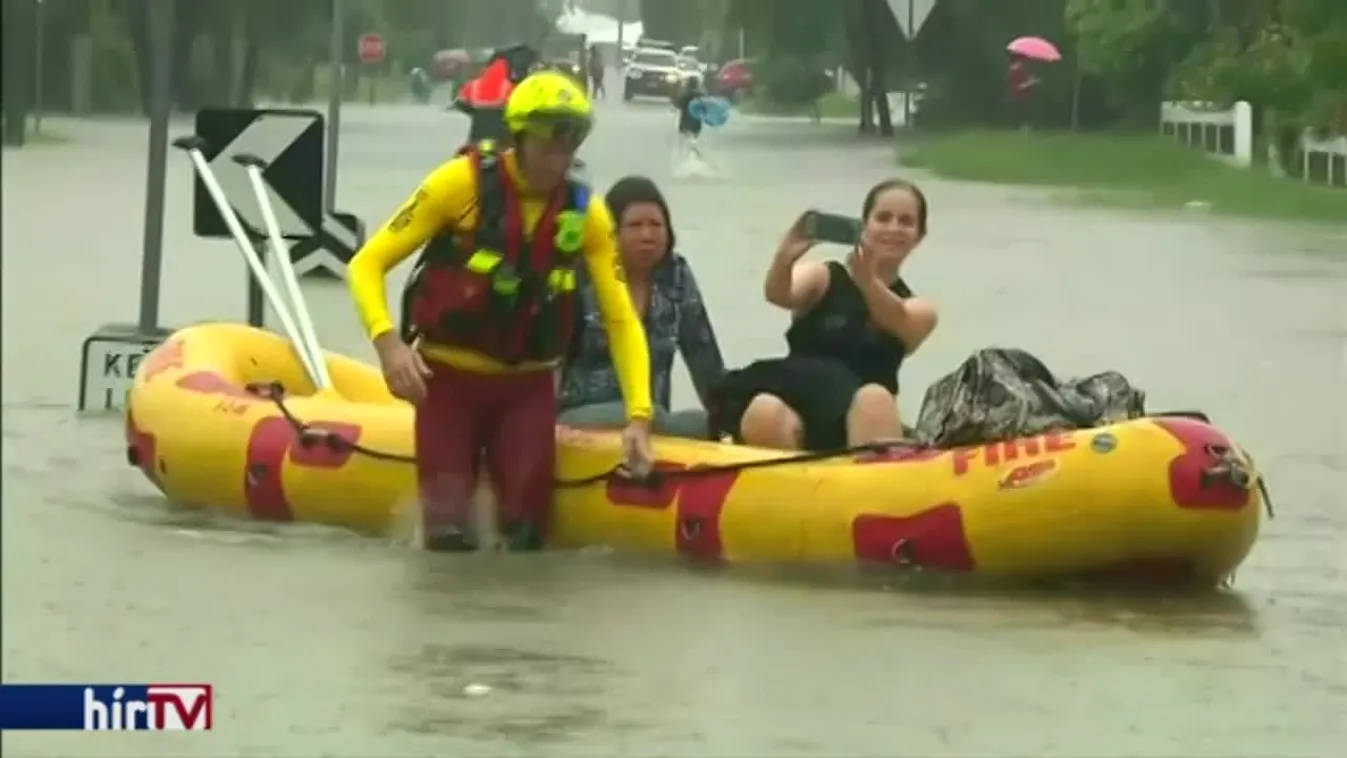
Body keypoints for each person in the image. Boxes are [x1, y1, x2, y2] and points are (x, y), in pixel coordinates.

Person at [346, 70, 656, 553]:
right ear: (519, 134)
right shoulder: (457, 185)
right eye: (551, 138)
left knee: (528, 535)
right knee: (446, 536)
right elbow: (367, 264)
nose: (561, 153)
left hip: (527, 390)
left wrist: (639, 416)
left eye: (572, 139)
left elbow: (620, 318)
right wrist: (388, 345)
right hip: (448, 383)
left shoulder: (586, 213)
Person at [709, 180, 938, 452]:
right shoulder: (824, 277)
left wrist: (867, 281)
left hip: (865, 421)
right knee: (764, 409)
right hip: (801, 405)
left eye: (906, 221)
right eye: (883, 218)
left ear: (919, 236)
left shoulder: (920, 309)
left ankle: (863, 485)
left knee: (874, 398)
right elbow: (779, 294)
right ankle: (787, 487)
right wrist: (785, 256)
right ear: (864, 225)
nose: (893, 228)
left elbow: (900, 321)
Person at [560, 176, 725, 438]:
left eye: (656, 225)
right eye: (634, 225)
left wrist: (731, 421)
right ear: (611, 231)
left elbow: (705, 361)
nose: (647, 235)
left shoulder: (676, 277)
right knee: (656, 417)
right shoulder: (581, 277)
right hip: (578, 418)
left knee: (708, 422)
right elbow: (551, 361)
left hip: (651, 421)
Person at [672, 77, 705, 159]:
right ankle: (693, 147)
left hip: (685, 119)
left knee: (685, 135)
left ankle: (687, 151)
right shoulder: (701, 93)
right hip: (697, 119)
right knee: (694, 134)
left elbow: (678, 104)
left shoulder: (684, 93)